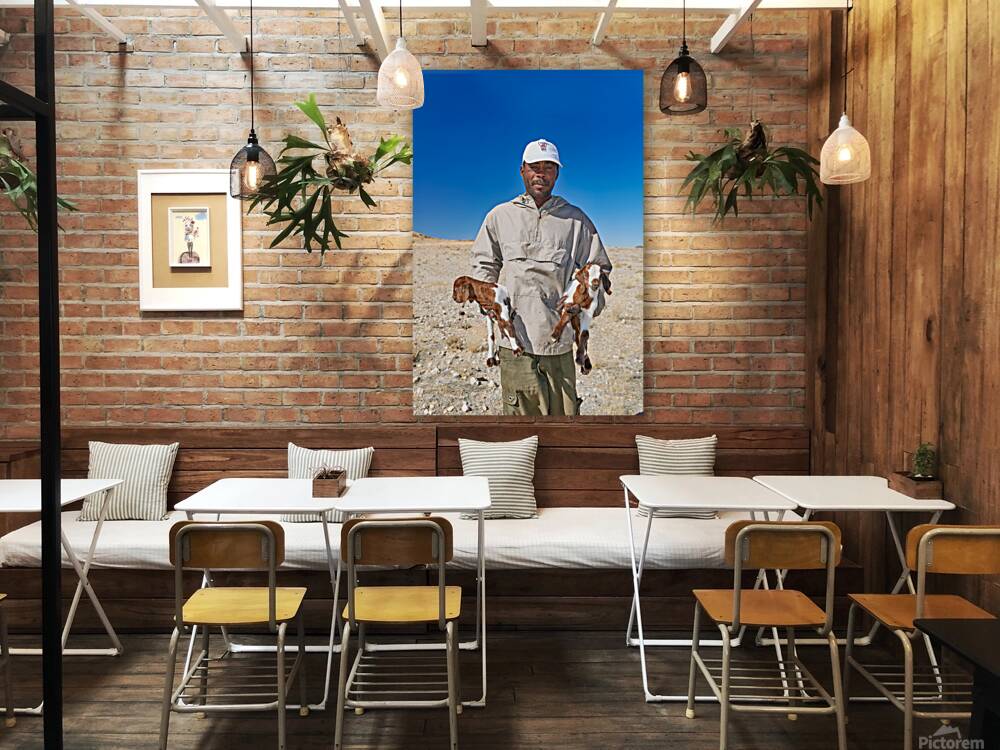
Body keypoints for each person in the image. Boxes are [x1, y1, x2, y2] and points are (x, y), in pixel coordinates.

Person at [470, 138, 612, 416]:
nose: (541, 173)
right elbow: (483, 264)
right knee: (520, 428)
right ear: (522, 170)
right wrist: (487, 300)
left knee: (564, 424)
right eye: (535, 166)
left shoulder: (576, 221)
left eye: (549, 167)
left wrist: (584, 306)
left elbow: (599, 269)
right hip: (514, 341)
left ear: (557, 174)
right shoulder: (500, 216)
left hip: (558, 343)